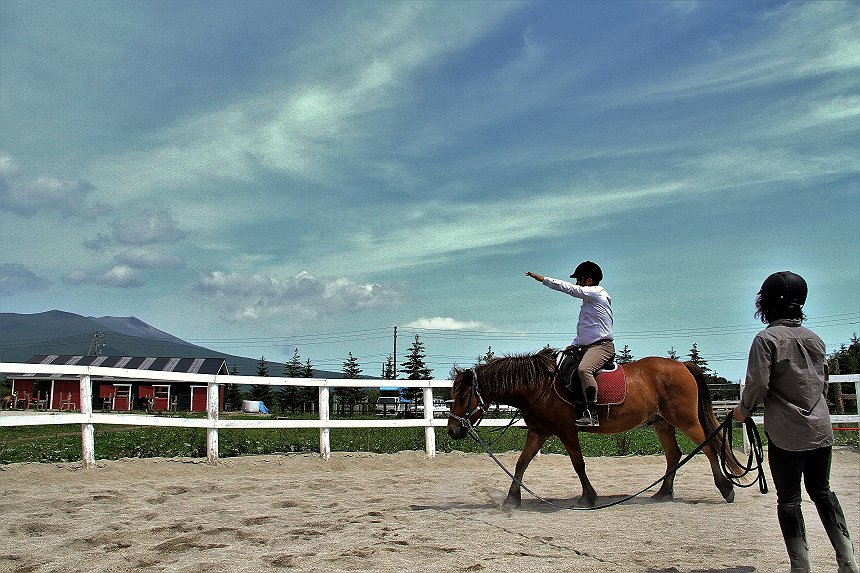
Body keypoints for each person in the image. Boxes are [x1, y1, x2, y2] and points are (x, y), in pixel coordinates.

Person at [733, 271, 859, 573]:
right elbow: (822, 383)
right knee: (823, 491)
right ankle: (848, 560)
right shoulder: (814, 338)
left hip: (787, 433)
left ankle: (800, 566)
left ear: (767, 304)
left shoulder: (766, 340)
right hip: (820, 428)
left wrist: (743, 411)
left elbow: (757, 385)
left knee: (789, 499)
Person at [526, 261, 613, 427]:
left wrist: (543, 279)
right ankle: (574, 408)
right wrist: (575, 343)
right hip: (586, 346)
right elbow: (587, 329)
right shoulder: (590, 302)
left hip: (601, 347)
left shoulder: (596, 293)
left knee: (584, 369)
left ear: (588, 280)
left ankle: (591, 413)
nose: (576, 283)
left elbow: (568, 288)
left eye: (579, 279)